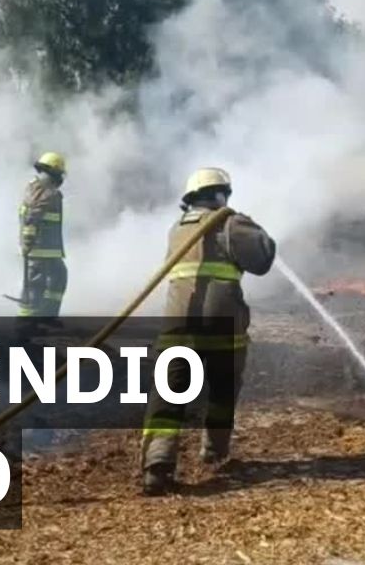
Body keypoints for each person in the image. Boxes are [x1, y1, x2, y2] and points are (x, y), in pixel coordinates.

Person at [140, 167, 276, 496]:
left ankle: (157, 462)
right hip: (221, 326)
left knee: (168, 393)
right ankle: (215, 451)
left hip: (177, 325)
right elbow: (262, 258)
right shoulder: (230, 222)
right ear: (220, 195)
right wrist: (253, 227)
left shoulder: (177, 229)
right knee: (222, 388)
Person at [17, 151, 67, 328]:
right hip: (38, 249)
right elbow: (31, 218)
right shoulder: (42, 192)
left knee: (59, 277)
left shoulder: (42, 190)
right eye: (59, 174)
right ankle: (25, 323)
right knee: (35, 285)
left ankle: (47, 315)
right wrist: (28, 244)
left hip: (49, 250)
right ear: (53, 173)